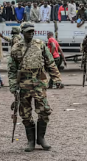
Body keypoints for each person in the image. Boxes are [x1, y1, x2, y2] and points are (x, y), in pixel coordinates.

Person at [9, 23, 62, 152]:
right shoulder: (16, 48)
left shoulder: (40, 44)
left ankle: (41, 138)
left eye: (32, 31)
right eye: (28, 32)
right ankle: (31, 141)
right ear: (22, 32)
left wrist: (56, 78)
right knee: (25, 114)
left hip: (39, 83)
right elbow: (12, 69)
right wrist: (13, 86)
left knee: (44, 111)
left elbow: (50, 62)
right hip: (24, 85)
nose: (31, 33)